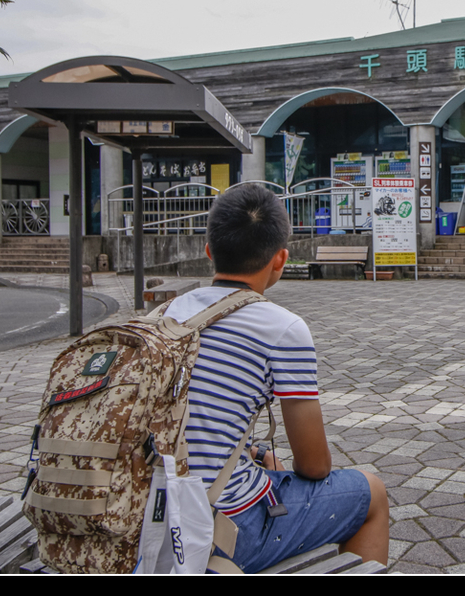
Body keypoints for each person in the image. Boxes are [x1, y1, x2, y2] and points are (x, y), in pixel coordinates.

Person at [163, 183, 389, 573]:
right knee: (372, 494)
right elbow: (314, 466)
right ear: (281, 259)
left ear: (209, 252)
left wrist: (253, 454)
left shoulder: (168, 313)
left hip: (140, 511)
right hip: (215, 530)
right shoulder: (282, 327)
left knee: (264, 464)